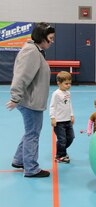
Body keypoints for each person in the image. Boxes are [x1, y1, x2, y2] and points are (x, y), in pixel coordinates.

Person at [6, 22, 55, 177]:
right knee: (33, 134)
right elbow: (22, 76)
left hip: (32, 100)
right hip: (30, 102)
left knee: (30, 132)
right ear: (42, 37)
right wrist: (15, 96)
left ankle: (19, 160)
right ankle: (31, 168)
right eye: (50, 38)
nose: (52, 41)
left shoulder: (36, 50)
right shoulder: (31, 52)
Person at [49, 71, 75, 163]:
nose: (69, 85)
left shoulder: (68, 93)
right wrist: (52, 118)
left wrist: (71, 115)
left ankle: (62, 150)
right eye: (66, 84)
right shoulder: (56, 94)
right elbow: (52, 106)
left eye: (70, 83)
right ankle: (60, 155)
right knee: (62, 139)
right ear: (59, 83)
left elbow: (69, 104)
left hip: (67, 120)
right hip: (59, 121)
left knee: (71, 137)